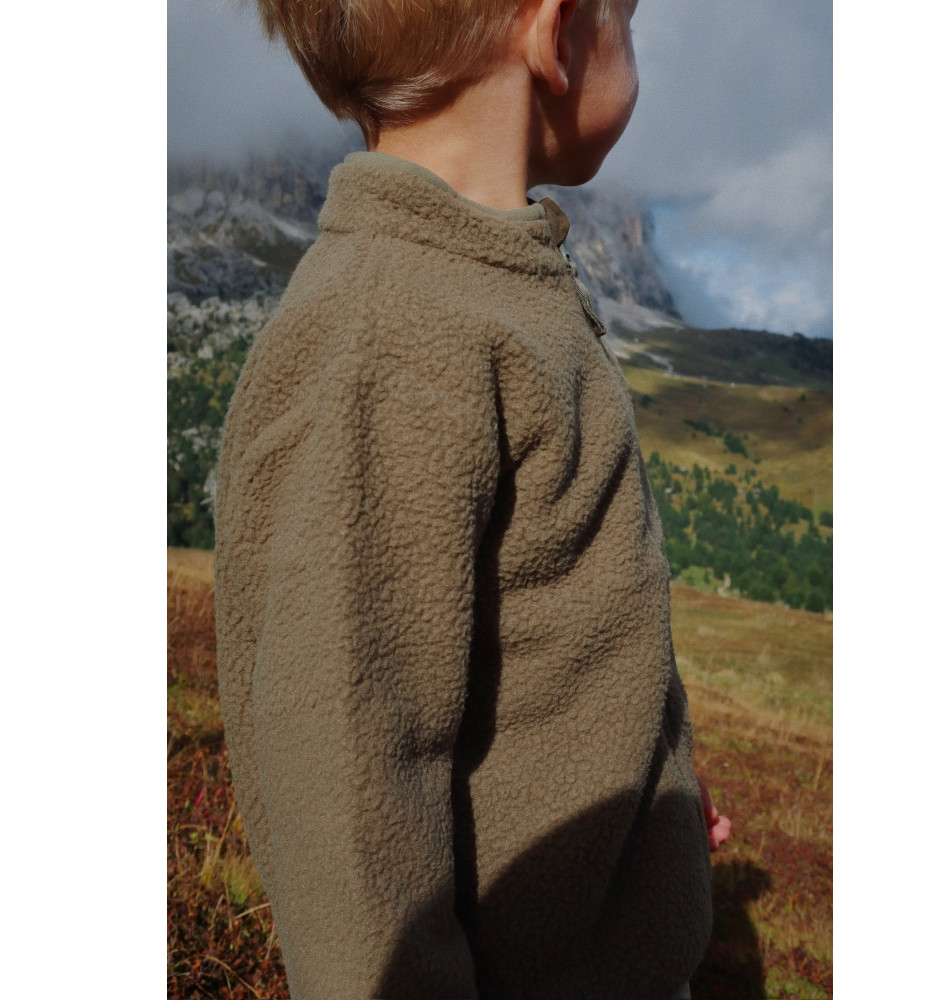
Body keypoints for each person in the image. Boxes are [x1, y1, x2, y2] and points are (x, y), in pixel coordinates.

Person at [214, 0, 731, 997]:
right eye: (629, 16)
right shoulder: (391, 329)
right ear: (556, 32)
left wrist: (642, 807)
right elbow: (346, 775)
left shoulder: (486, 286)